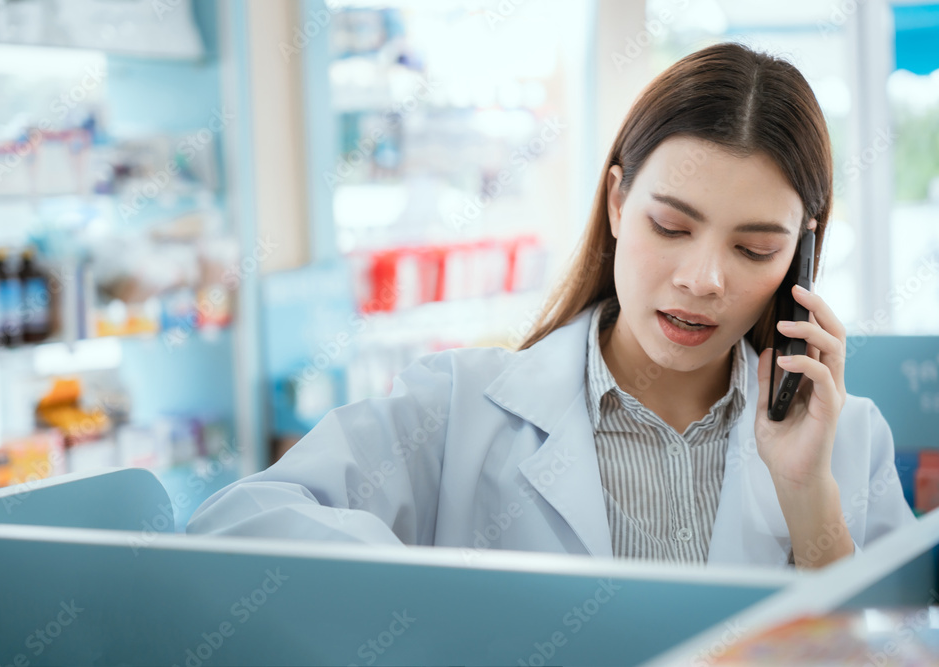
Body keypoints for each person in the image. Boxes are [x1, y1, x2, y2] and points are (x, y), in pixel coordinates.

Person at [187, 42, 917, 569]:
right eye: (671, 226)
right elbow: (232, 526)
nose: (703, 279)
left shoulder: (847, 442)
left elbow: (896, 654)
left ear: (801, 257)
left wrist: (809, 500)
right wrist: (429, 595)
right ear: (617, 201)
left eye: (754, 249)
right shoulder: (456, 409)